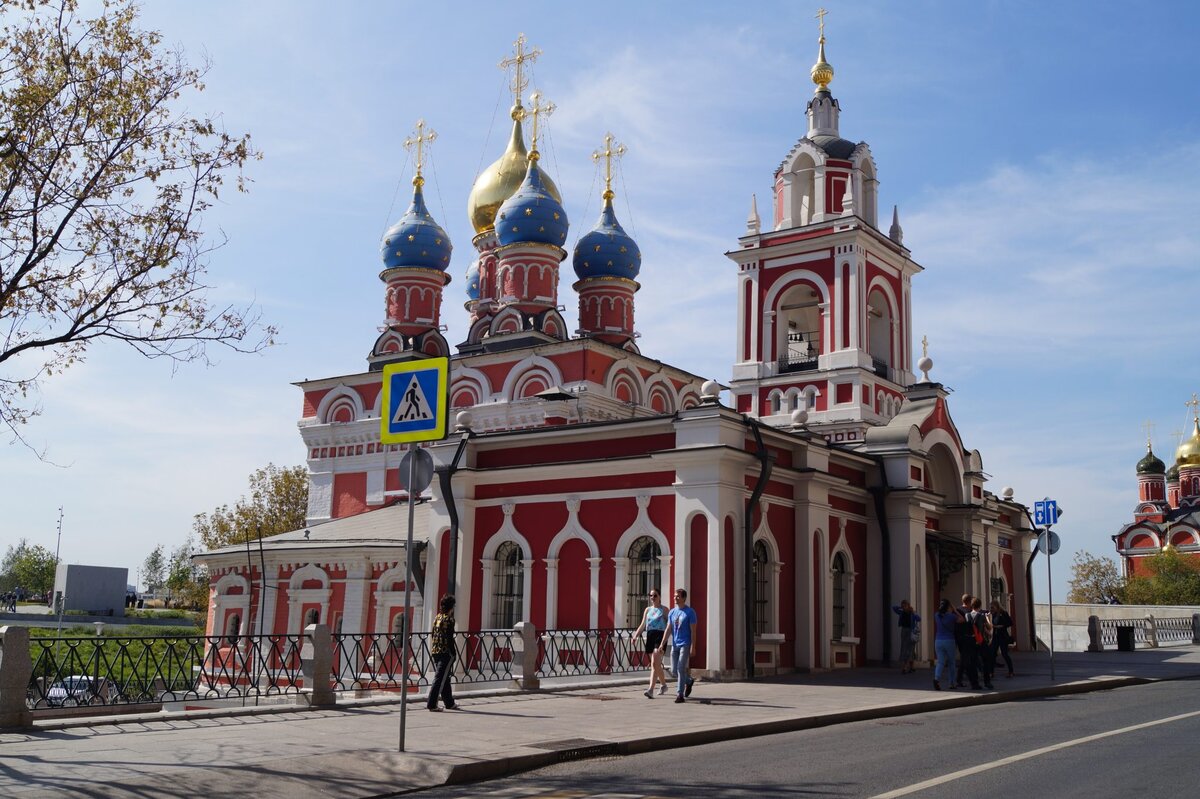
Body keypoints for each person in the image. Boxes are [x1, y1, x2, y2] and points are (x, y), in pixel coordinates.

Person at [660, 587, 698, 703]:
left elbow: (693, 631)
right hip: (675, 644)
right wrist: (663, 643)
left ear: (684, 598)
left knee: (681, 668)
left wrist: (693, 646)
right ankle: (689, 681)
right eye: (674, 596)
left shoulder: (690, 612)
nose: (675, 598)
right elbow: (668, 629)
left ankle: (679, 694)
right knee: (674, 670)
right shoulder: (672, 612)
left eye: (678, 596)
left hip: (685, 644)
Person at [633, 588, 669, 698]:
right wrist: (635, 635)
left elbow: (669, 625)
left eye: (655, 595)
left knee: (654, 663)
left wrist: (665, 640)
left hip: (660, 637)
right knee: (656, 664)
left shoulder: (665, 610)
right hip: (650, 636)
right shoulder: (648, 610)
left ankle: (650, 690)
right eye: (651, 595)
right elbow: (643, 624)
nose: (652, 598)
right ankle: (663, 685)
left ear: (659, 597)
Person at [426, 593, 459, 712]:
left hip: (435, 651)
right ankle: (432, 704)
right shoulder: (449, 620)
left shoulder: (437, 617)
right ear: (451, 607)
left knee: (445, 677)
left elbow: (433, 634)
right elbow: (450, 638)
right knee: (440, 678)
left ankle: (449, 703)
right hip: (446, 652)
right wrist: (454, 653)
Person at [932, 598, 962, 691]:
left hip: (938, 640)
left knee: (940, 661)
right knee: (951, 662)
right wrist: (955, 610)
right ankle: (952, 683)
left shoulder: (936, 615)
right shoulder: (952, 616)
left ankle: (936, 678)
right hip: (949, 640)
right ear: (948, 607)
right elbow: (962, 619)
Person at [954, 593, 981, 690]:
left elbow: (956, 624)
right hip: (970, 639)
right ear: (970, 602)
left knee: (964, 660)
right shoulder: (970, 612)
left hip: (960, 639)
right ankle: (974, 682)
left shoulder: (957, 610)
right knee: (971, 661)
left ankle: (959, 679)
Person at [891, 599, 921, 674]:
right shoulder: (901, 612)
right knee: (904, 648)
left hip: (911, 632)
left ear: (908, 605)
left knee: (910, 649)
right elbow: (894, 608)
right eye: (903, 605)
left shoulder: (912, 613)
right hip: (904, 631)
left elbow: (919, 619)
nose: (904, 607)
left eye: (905, 605)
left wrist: (913, 612)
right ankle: (908, 667)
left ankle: (908, 667)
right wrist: (900, 608)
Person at [971, 597, 994, 689]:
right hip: (980, 641)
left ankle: (975, 683)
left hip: (971, 641)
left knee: (973, 662)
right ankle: (987, 682)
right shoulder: (981, 616)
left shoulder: (967, 615)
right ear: (980, 605)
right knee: (985, 661)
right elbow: (989, 627)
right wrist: (988, 619)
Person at [988, 599, 1015, 678]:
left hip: (1003, 636)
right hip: (995, 636)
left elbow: (1010, 622)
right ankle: (991, 672)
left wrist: (1002, 626)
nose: (991, 609)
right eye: (991, 607)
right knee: (992, 654)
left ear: (997, 606)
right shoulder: (993, 614)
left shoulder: (1004, 613)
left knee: (1005, 654)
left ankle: (1011, 671)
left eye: (992, 607)